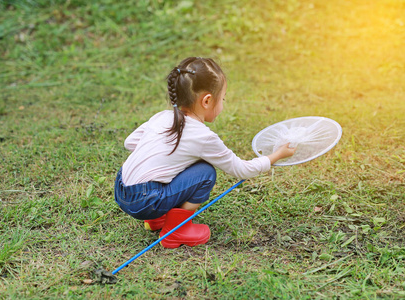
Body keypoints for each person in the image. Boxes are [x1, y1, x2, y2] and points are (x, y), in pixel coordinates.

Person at [114, 57, 295, 248]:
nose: (223, 105)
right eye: (223, 99)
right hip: (145, 202)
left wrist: (161, 156)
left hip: (121, 189)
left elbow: (130, 142)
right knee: (205, 173)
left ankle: (157, 219)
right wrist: (276, 155)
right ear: (207, 101)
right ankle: (175, 232)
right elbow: (242, 170)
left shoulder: (162, 117)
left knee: (185, 164)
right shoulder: (203, 137)